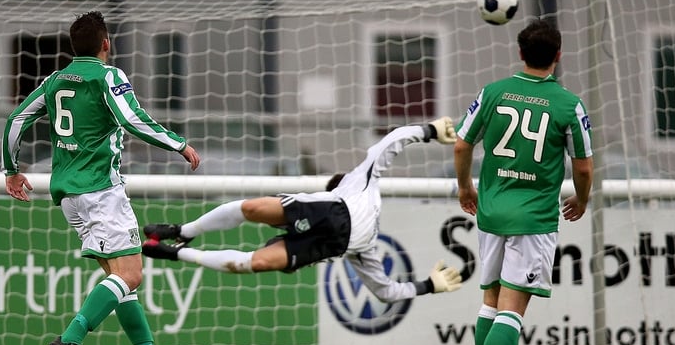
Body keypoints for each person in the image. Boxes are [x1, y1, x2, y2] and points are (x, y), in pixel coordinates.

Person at [1, 11, 201, 345]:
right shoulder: (107, 76)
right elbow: (132, 119)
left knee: (121, 283)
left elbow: (15, 120)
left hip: (69, 195)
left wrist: (11, 171)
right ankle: (70, 339)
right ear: (106, 43)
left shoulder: (55, 80)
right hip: (101, 191)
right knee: (132, 274)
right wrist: (178, 144)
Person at [142, 117, 464, 303]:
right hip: (329, 210)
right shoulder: (349, 187)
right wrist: (429, 130)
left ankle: (175, 253)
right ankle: (182, 231)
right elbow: (393, 140)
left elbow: (385, 291)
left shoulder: (363, 219)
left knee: (258, 263)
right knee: (252, 208)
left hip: (331, 244)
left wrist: (428, 286)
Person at [454, 20, 593, 345]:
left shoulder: (492, 93)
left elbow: (462, 144)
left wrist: (465, 188)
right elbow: (583, 167)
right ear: (558, 55)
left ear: (520, 53)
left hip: (491, 212)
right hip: (533, 219)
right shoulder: (568, 104)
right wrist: (582, 199)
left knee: (491, 303)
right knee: (512, 309)